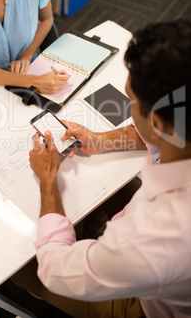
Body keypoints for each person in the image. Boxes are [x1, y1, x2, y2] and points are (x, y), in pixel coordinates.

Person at [13, 20, 191, 318]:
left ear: (159, 124)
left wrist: (47, 183)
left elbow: (56, 270)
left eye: (132, 101)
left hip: (146, 303)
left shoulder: (159, 232)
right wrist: (100, 140)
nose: (129, 109)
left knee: (20, 263)